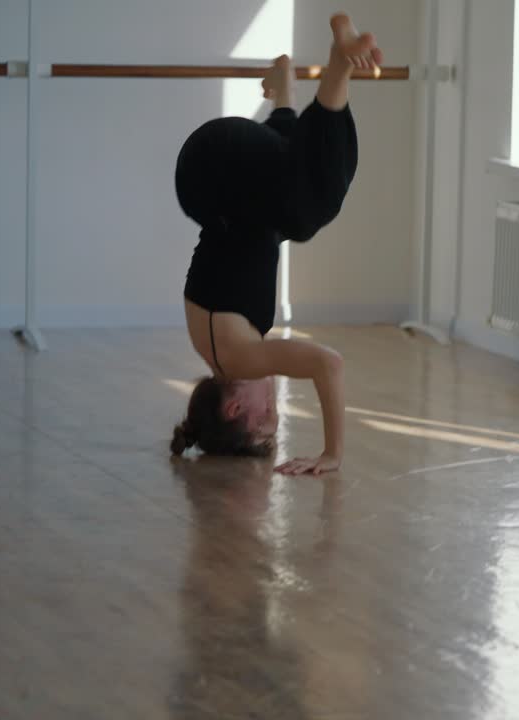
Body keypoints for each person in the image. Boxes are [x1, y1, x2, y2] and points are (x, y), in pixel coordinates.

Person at [169, 12, 383, 476]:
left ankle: (339, 64)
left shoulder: (243, 357)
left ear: (234, 410)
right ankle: (283, 84)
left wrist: (333, 453)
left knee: (307, 211)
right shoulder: (207, 342)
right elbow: (258, 220)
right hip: (206, 178)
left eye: (266, 420)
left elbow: (329, 365)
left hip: (221, 167)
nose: (276, 410)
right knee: (287, 195)